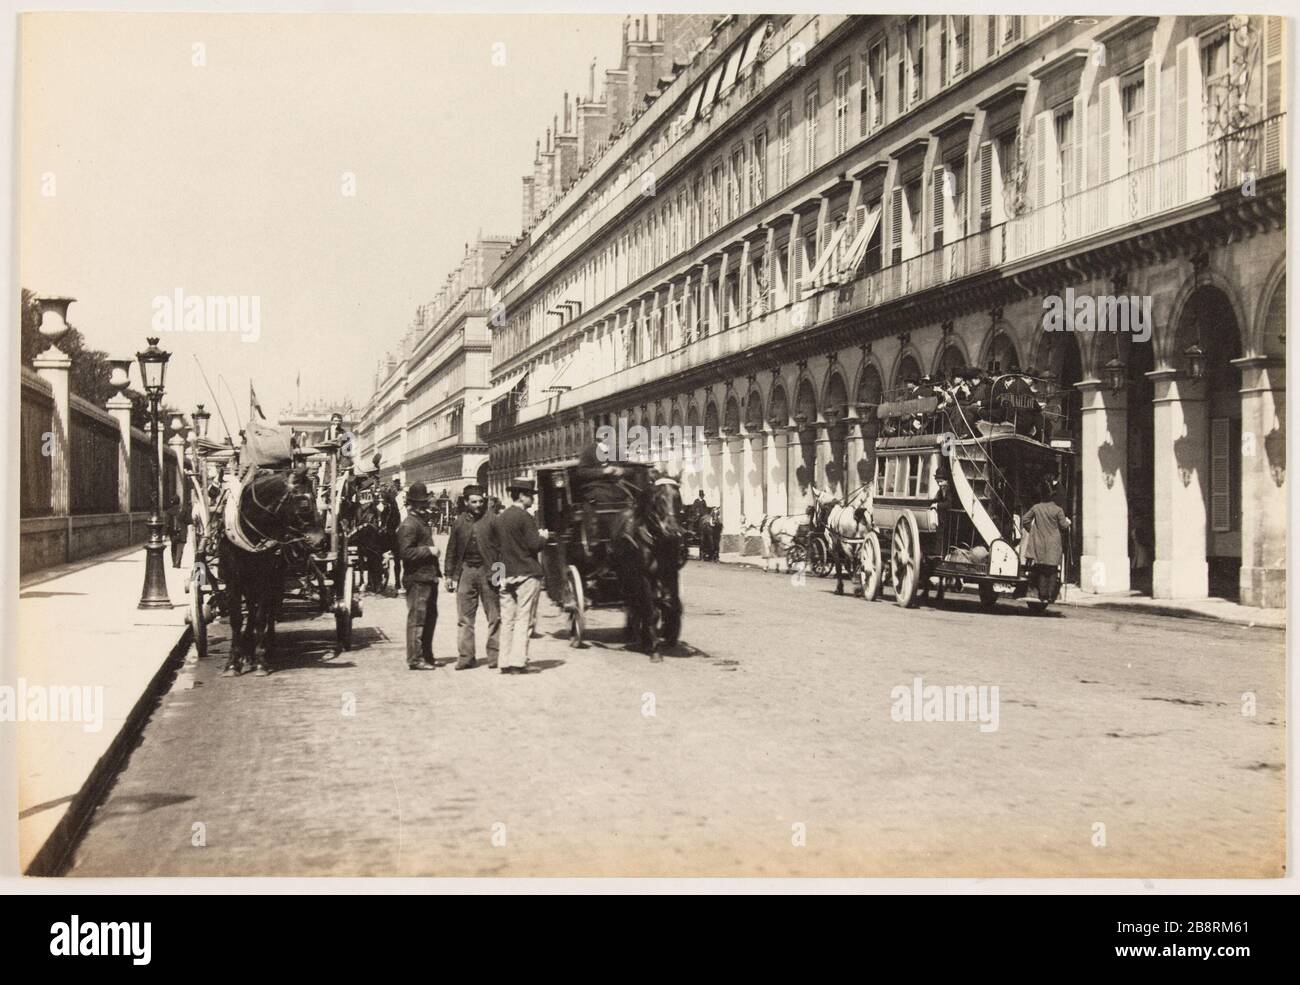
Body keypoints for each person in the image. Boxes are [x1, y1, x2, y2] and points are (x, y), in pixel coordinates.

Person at [490, 476, 549, 675]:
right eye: (530, 495)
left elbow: (495, 550)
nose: (533, 499)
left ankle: (504, 662)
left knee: (507, 620)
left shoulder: (501, 518)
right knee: (524, 618)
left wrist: (498, 578)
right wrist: (544, 537)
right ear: (522, 496)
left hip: (506, 575)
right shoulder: (525, 517)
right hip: (526, 573)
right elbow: (534, 545)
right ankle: (518, 662)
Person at [444, 484, 500, 670]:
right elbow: (451, 550)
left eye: (481, 501)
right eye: (474, 502)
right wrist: (449, 575)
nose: (478, 505)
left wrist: (499, 575)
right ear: (466, 502)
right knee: (465, 618)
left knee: (494, 616)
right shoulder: (459, 522)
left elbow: (502, 550)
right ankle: (466, 657)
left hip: (488, 571)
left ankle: (495, 656)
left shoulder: (492, 520)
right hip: (466, 572)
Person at [396, 482, 442, 670]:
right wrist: (428, 551)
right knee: (417, 618)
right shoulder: (409, 525)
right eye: (422, 503)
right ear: (413, 504)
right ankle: (415, 658)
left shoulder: (420, 522)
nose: (426, 506)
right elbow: (405, 553)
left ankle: (427, 655)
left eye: (426, 502)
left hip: (427, 577)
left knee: (430, 617)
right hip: (417, 578)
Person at [1020, 482, 1071, 607]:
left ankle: (1042, 595)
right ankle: (1050, 595)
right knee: (1052, 569)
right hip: (1054, 543)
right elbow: (1064, 526)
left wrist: (1032, 531)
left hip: (1040, 542)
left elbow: (1025, 520)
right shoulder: (1058, 510)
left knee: (1042, 569)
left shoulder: (1036, 508)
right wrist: (1068, 522)